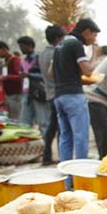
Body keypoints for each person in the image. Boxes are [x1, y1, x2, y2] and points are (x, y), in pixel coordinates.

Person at [53, 18, 101, 164]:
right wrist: (94, 54)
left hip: (59, 95)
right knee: (81, 137)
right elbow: (88, 71)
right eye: (94, 35)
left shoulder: (59, 45)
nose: (94, 39)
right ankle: (81, 175)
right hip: (73, 96)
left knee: (65, 138)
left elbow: (50, 72)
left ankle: (67, 179)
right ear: (86, 32)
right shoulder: (76, 44)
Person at [39, 25, 66, 165]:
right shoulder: (56, 52)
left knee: (52, 126)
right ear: (57, 38)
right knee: (61, 127)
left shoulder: (42, 53)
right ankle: (63, 156)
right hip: (58, 92)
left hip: (50, 93)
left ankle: (47, 155)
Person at [0, 41, 22, 120]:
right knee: (11, 118)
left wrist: (6, 77)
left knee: (16, 118)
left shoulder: (15, 60)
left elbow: (21, 76)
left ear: (4, 49)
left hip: (16, 94)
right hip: (9, 95)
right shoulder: (6, 61)